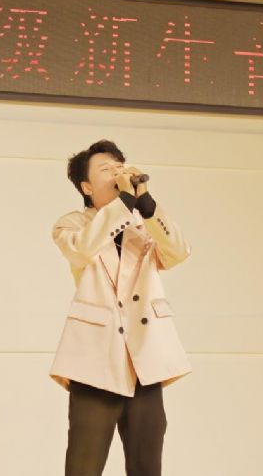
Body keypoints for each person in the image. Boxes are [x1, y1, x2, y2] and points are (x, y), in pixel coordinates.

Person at [50, 139, 192, 476]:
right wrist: (124, 204)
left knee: (147, 465)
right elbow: (81, 250)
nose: (117, 173)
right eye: (106, 169)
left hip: (144, 360)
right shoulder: (72, 224)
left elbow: (177, 253)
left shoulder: (144, 224)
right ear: (86, 186)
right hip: (94, 361)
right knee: (84, 466)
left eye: (119, 166)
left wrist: (148, 207)